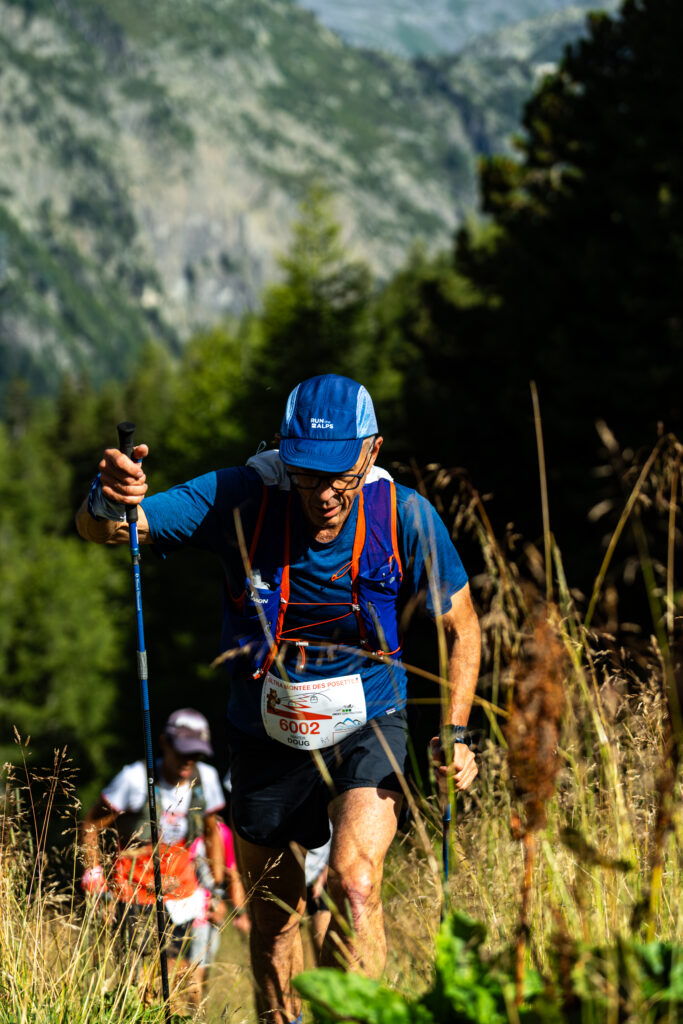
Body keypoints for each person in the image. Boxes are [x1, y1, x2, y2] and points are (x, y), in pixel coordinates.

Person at [76, 373, 480, 1024]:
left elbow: (463, 628)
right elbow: (114, 530)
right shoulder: (241, 497)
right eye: (307, 475)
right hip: (266, 736)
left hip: (369, 721)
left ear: (372, 451)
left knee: (356, 883)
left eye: (339, 475)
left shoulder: (404, 515)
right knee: (275, 920)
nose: (323, 494)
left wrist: (455, 732)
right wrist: (108, 498)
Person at [81, 708, 247, 1005]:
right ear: (164, 744)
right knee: (139, 984)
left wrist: (215, 889)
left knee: (182, 981)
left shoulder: (206, 779)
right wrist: (94, 877)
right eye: (182, 751)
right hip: (133, 893)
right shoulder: (134, 779)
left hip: (183, 895)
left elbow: (211, 833)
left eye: (196, 754)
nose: (188, 760)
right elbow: (91, 824)